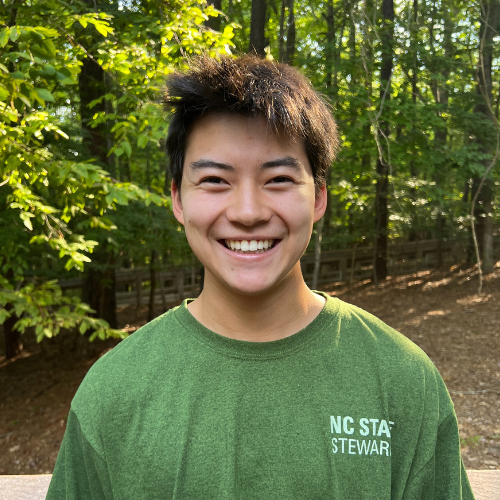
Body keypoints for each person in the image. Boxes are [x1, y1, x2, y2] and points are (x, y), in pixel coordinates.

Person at [46, 55, 474, 499]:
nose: (248, 213)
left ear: (319, 197)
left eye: (278, 179)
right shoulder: (113, 392)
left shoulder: (403, 379)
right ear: (178, 199)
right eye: (214, 179)